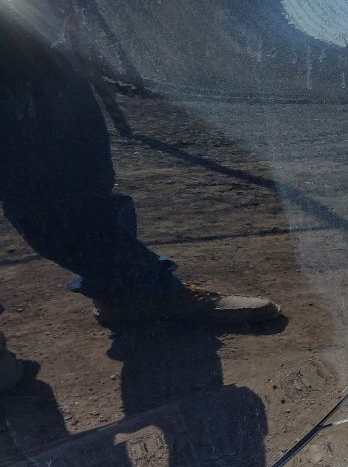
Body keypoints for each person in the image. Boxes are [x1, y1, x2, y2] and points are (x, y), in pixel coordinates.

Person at [0, 20, 279, 393]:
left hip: (35, 36)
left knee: (78, 174)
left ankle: (127, 293)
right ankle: (141, 289)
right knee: (45, 185)